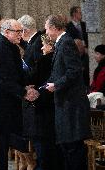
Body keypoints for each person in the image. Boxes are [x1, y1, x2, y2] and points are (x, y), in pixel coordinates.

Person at [0, 19, 39, 170]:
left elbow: (18, 74)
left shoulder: (11, 47)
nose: (21, 34)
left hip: (7, 108)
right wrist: (24, 92)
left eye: (22, 31)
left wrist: (29, 84)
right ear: (6, 32)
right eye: (17, 32)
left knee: (11, 144)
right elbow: (3, 80)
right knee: (0, 154)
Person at [44, 14, 91, 170]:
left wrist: (56, 85)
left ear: (53, 28)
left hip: (71, 106)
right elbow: (59, 72)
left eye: (46, 28)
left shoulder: (66, 43)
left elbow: (74, 71)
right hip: (65, 104)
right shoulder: (61, 42)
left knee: (73, 148)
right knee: (66, 147)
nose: (46, 32)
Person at [22, 34, 57, 170]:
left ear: (51, 46)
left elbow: (31, 78)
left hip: (42, 108)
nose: (42, 48)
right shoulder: (54, 60)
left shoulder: (44, 60)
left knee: (43, 149)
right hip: (51, 108)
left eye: (44, 45)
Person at [66, 6, 90, 91]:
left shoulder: (84, 25)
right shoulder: (68, 27)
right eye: (80, 12)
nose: (81, 14)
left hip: (86, 51)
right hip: (76, 53)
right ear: (74, 14)